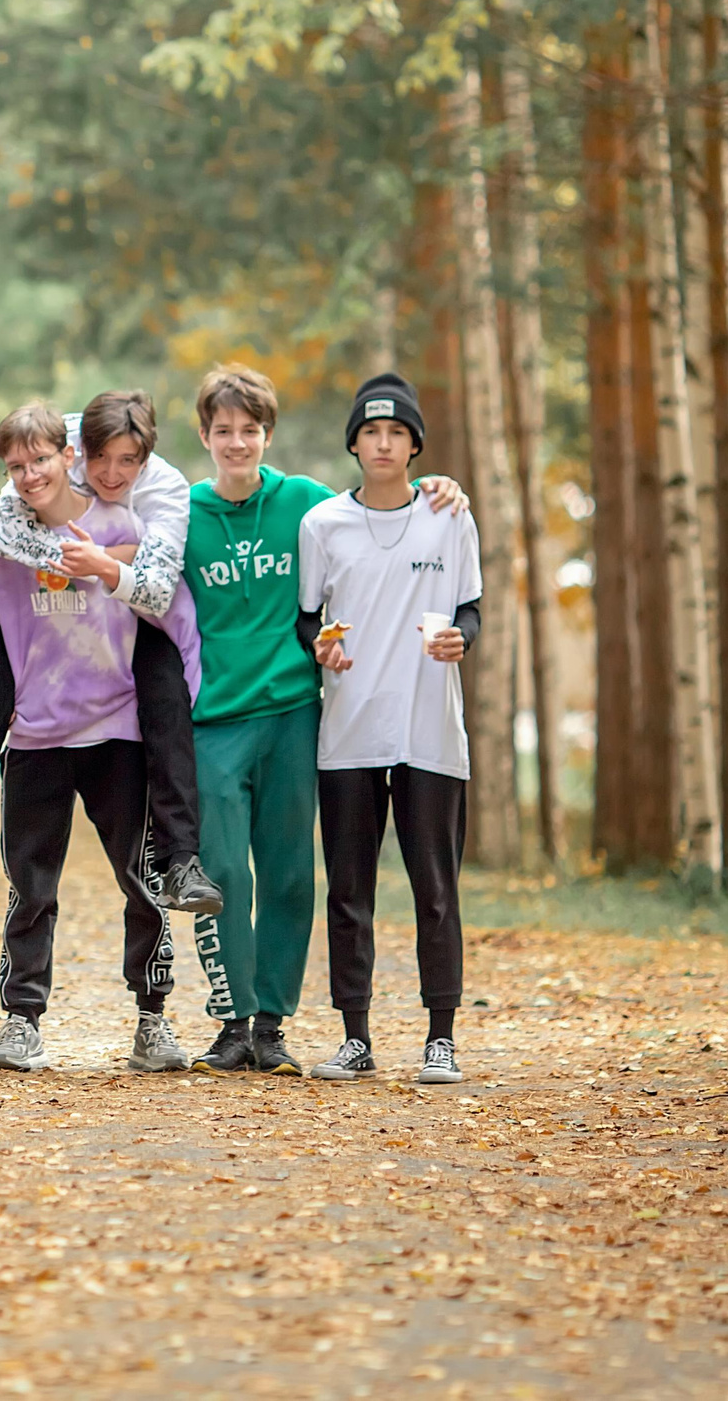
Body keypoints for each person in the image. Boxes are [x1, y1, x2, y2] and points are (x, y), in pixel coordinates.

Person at [179, 364, 466, 1076]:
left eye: (250, 430)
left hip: (292, 712)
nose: (238, 442)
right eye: (224, 430)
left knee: (288, 873)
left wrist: (444, 485)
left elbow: (375, 519)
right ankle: (230, 1020)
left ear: (268, 434)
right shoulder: (181, 513)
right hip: (213, 715)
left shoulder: (306, 507)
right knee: (222, 873)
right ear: (205, 436)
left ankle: (270, 1025)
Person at [0, 398, 205, 1075]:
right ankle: (21, 1020)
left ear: (65, 457)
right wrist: (2, 699)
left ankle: (153, 1018)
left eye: (41, 458)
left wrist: (176, 706)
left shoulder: (130, 522)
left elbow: (174, 617)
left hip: (118, 731)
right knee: (30, 885)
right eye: (17, 465)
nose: (31, 472)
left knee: (142, 879)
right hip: (37, 736)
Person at [0, 397, 218, 942]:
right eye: (100, 459)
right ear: (77, 453)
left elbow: (160, 587)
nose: (112, 473)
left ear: (146, 457)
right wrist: (96, 554)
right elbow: (5, 530)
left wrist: (107, 561)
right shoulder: (44, 455)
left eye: (128, 461)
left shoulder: (164, 490)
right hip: (34, 614)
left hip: (135, 611)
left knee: (163, 695)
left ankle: (181, 859)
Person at [295, 373, 483, 1087]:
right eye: (371, 432)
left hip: (430, 730)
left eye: (396, 433)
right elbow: (307, 618)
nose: (382, 442)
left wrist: (460, 640)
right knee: (349, 888)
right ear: (354, 443)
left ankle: (441, 1037)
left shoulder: (449, 516)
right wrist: (322, 645)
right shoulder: (322, 525)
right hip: (348, 731)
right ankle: (355, 1035)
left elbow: (469, 609)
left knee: (435, 887)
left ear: (414, 446)